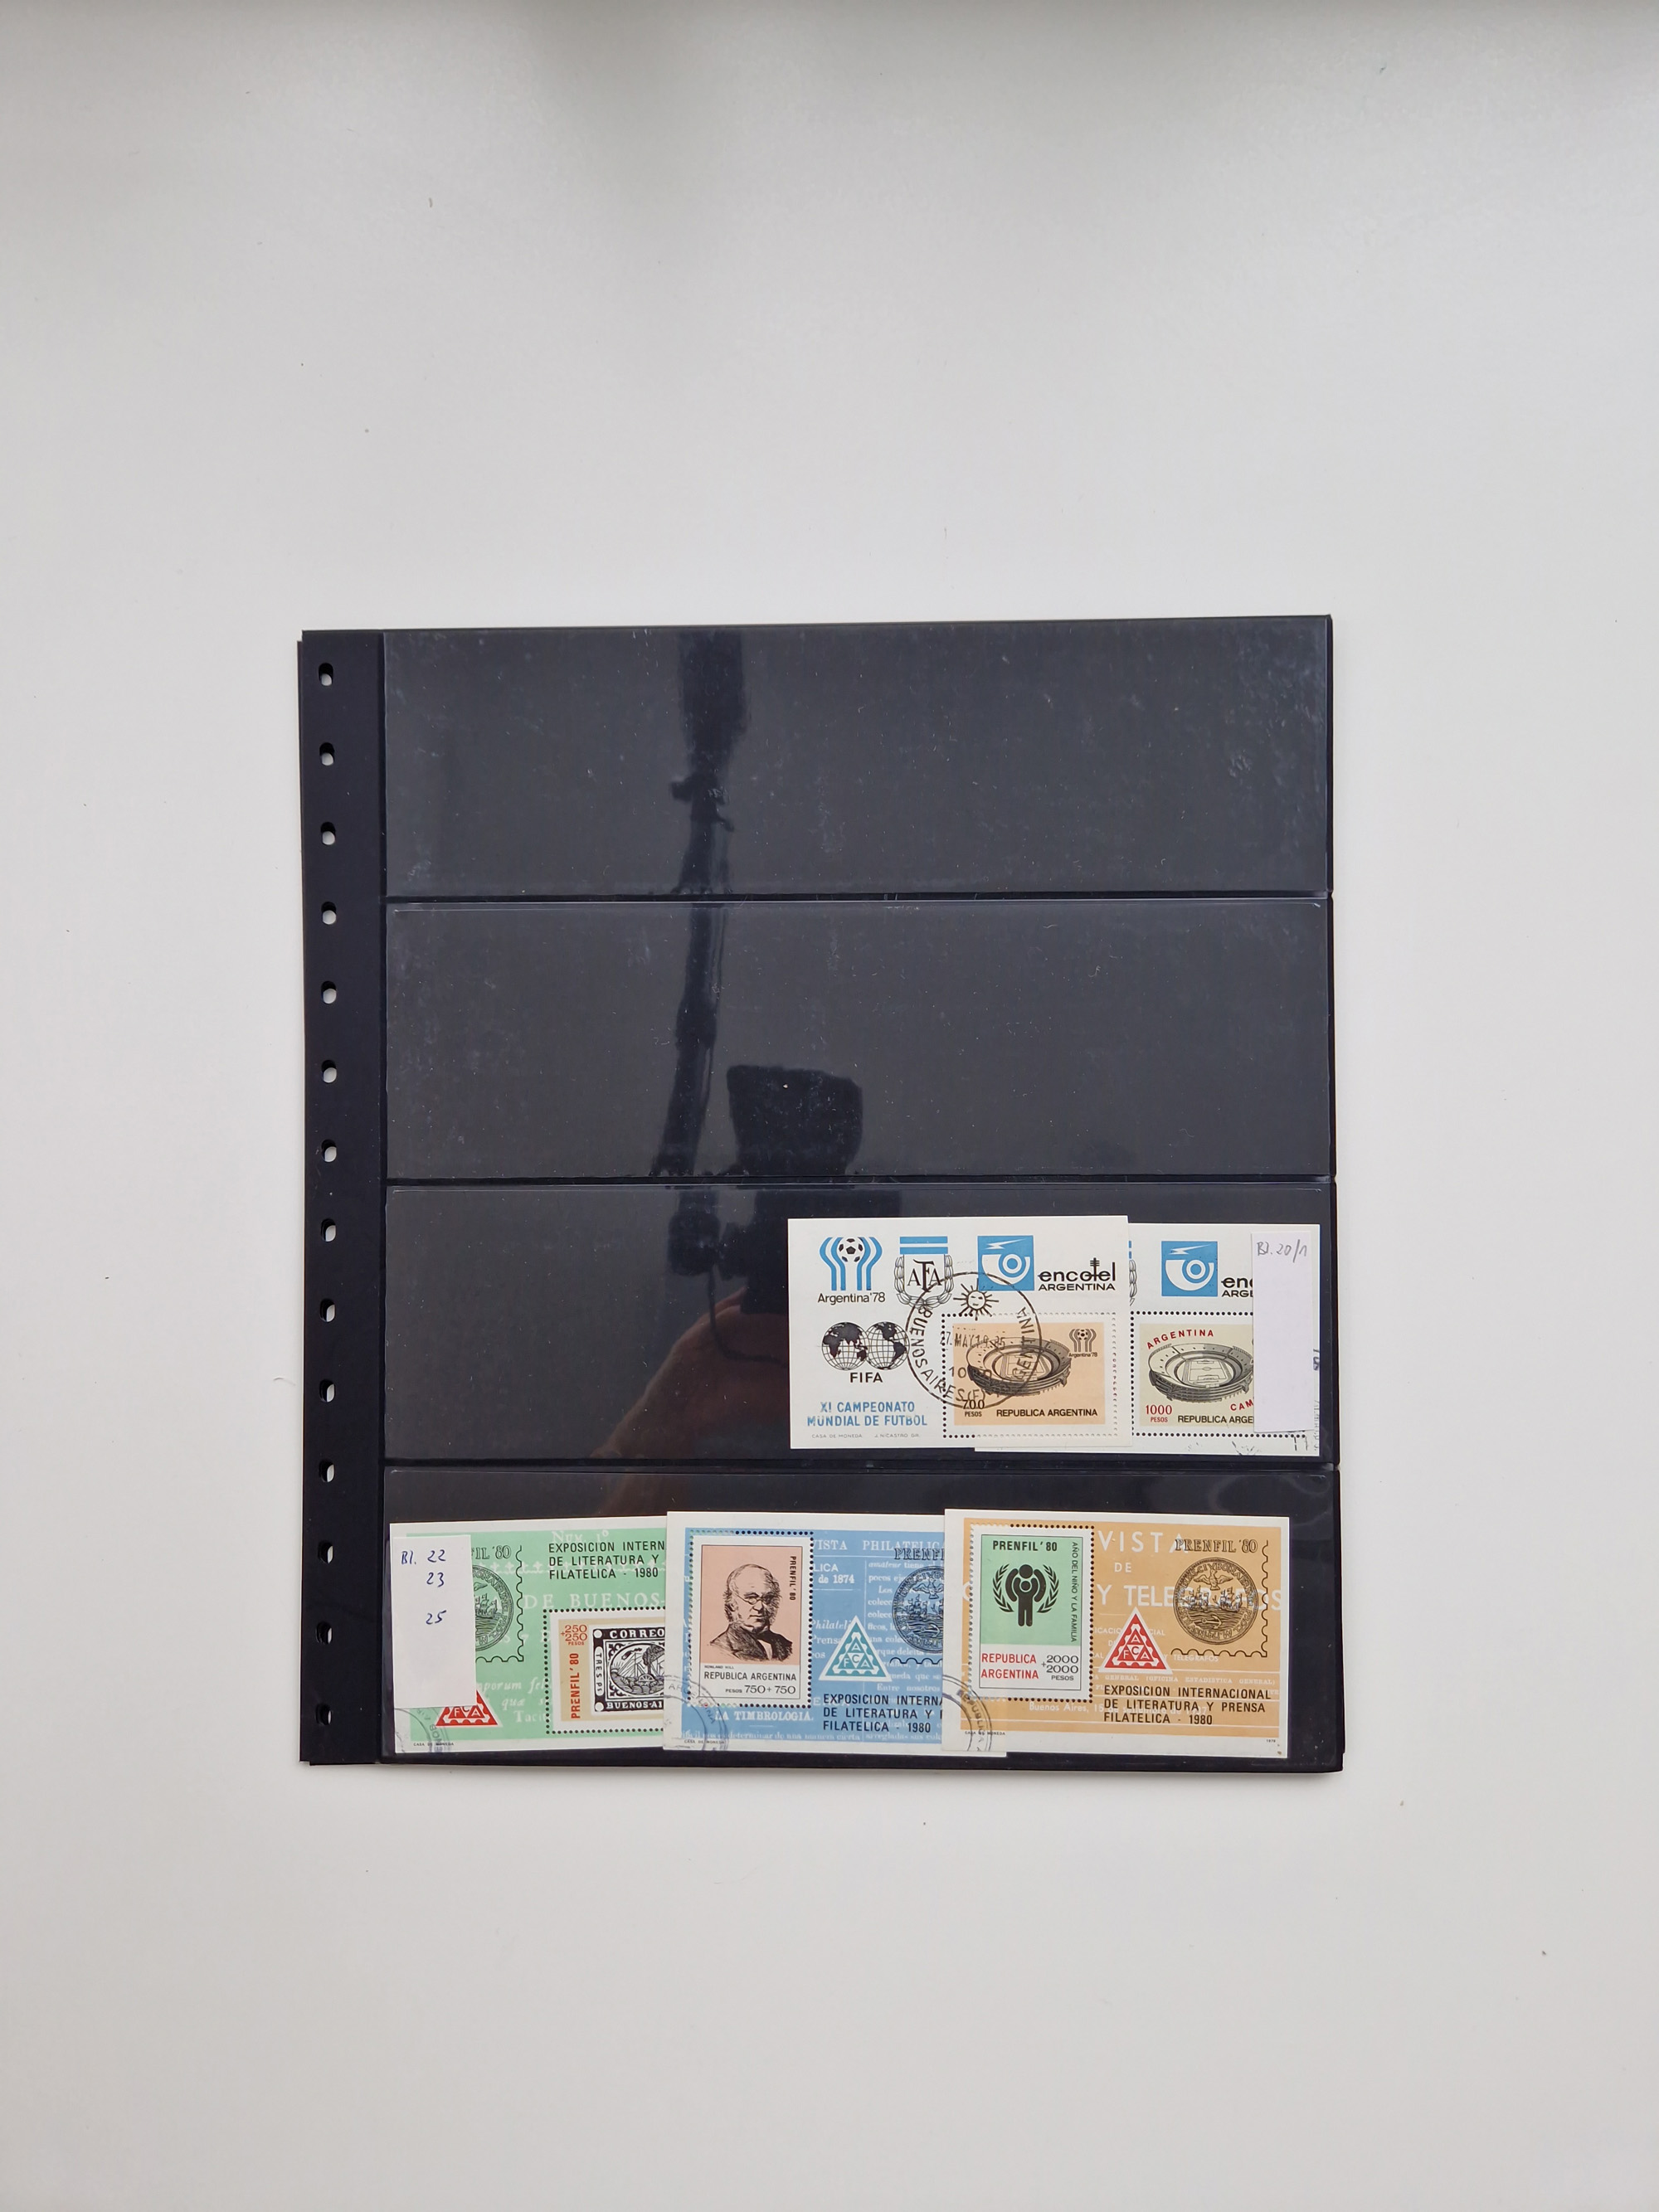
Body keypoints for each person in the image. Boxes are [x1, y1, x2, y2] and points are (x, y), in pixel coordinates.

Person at [707, 1562, 793, 1660]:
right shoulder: (719, 1648)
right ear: (732, 1604)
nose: (760, 1607)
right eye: (751, 1598)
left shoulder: (786, 1645)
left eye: (767, 1598)